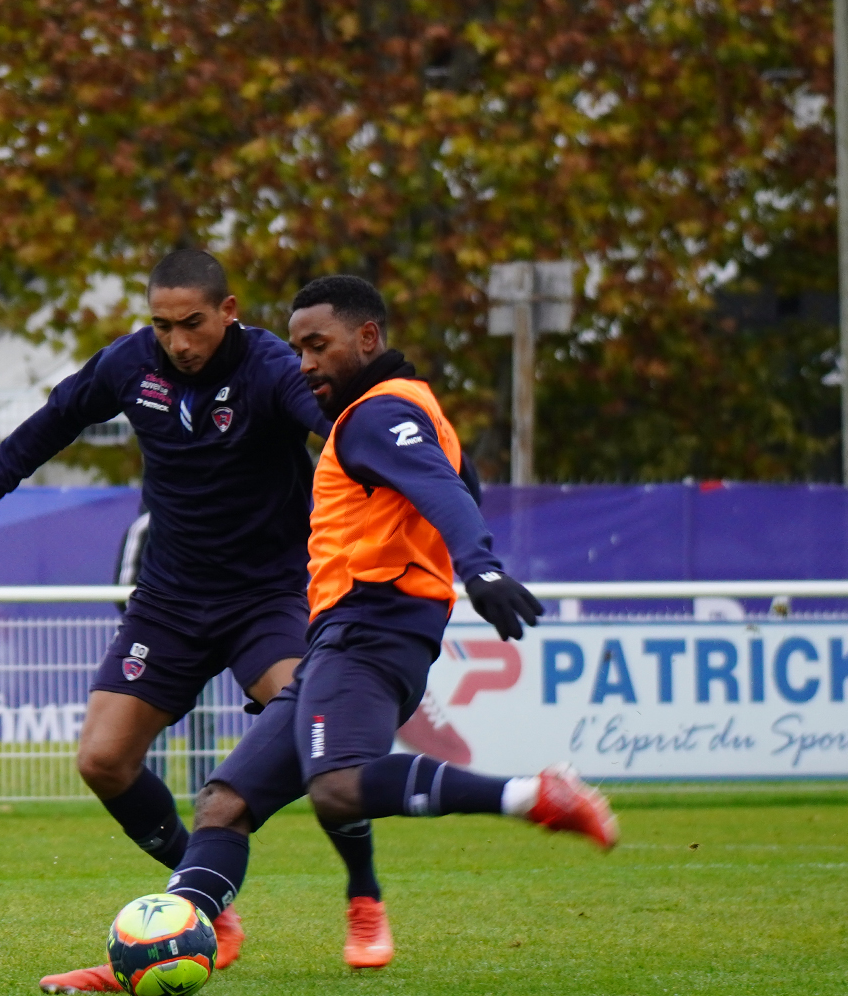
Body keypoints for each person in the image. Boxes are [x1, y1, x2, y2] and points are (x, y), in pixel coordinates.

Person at [0, 250, 392, 990]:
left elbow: (337, 428)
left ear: (228, 310)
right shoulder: (131, 364)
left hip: (270, 596)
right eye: (163, 326)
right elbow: (57, 418)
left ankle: (363, 895)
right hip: (168, 600)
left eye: (192, 324)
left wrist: (410, 473)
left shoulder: (270, 367)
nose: (177, 342)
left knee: (320, 733)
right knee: (101, 760)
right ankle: (204, 905)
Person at [154, 275, 617, 956]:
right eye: (297, 348)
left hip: (373, 627)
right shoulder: (400, 412)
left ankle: (532, 794)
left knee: (338, 787)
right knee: (225, 802)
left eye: (319, 345)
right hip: (344, 636)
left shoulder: (377, 412)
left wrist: (480, 566)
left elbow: (439, 489)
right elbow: (458, 484)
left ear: (368, 338)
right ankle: (175, 942)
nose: (305, 362)